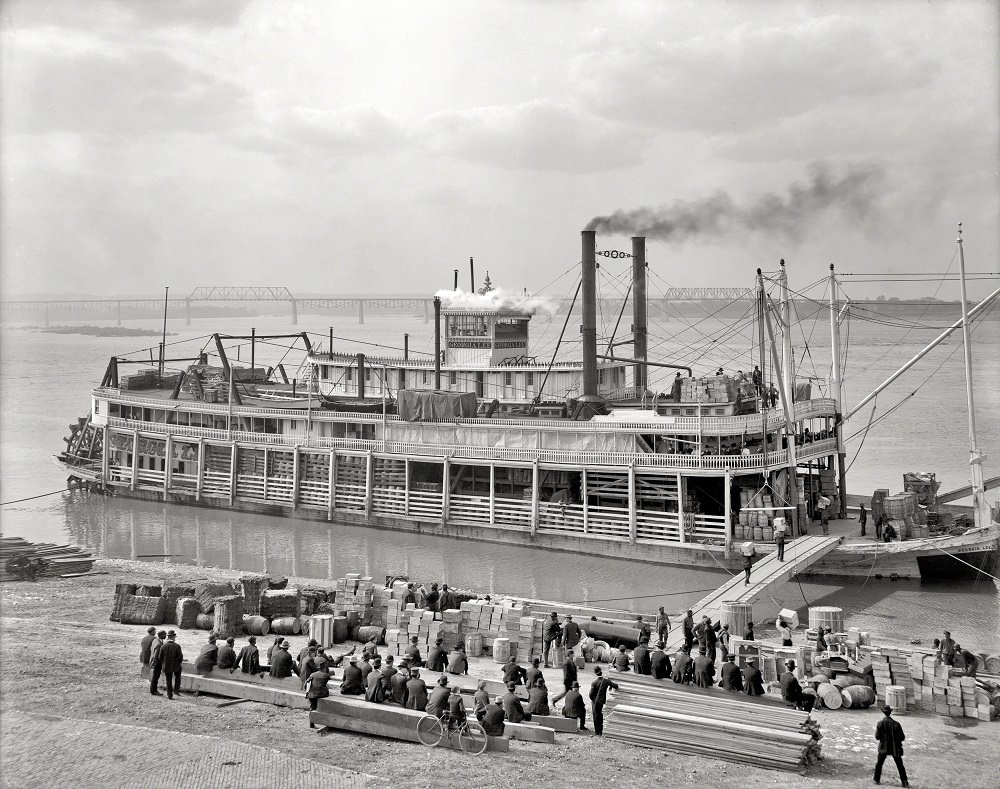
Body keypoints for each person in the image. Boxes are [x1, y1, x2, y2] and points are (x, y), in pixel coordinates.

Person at [874, 705, 909, 787]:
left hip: (883, 747)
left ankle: (876, 779)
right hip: (895, 748)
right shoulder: (896, 724)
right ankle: (904, 782)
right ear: (890, 713)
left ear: (883, 713)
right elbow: (902, 737)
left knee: (879, 763)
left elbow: (877, 737)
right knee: (900, 765)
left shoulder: (880, 724)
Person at [588, 667, 618, 735]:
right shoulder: (606, 681)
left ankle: (597, 732)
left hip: (595, 702)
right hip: (601, 701)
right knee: (600, 715)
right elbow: (615, 686)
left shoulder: (594, 683)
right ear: (601, 672)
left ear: (595, 673)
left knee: (595, 716)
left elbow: (590, 694)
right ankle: (600, 730)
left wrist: (593, 700)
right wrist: (610, 686)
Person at [159, 631, 184, 700]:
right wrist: (178, 663)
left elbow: (160, 657)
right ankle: (176, 691)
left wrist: (164, 663)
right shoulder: (177, 646)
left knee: (168, 680)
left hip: (167, 666)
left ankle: (169, 695)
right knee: (178, 678)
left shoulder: (163, 646)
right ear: (172, 637)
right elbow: (180, 657)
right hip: (176, 666)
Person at [148, 629, 166, 696]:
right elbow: (156, 655)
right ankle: (153, 691)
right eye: (165, 634)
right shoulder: (159, 644)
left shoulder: (155, 640)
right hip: (157, 663)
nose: (166, 636)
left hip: (153, 660)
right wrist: (154, 663)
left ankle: (153, 690)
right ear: (161, 635)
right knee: (156, 677)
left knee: (155, 677)